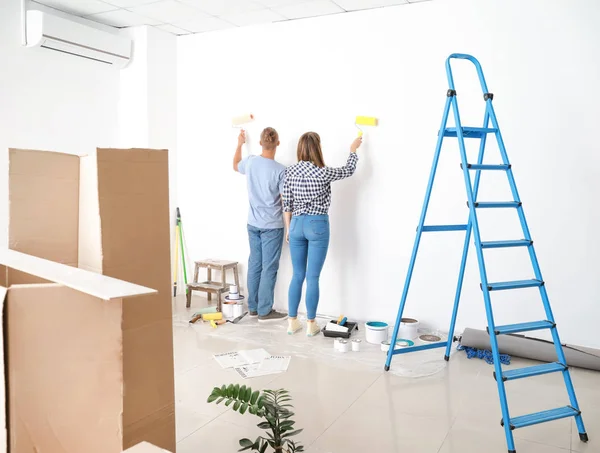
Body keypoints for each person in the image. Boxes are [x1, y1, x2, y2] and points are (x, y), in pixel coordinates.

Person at [282, 132, 362, 336]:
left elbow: (287, 204)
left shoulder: (290, 172)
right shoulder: (323, 172)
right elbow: (348, 170)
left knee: (297, 275)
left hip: (296, 224)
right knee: (313, 277)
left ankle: (292, 322)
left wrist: (289, 229)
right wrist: (353, 150)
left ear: (300, 148)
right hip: (317, 224)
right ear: (317, 148)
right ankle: (310, 324)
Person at [234, 127, 288, 322]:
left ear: (260, 143)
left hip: (253, 223)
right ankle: (265, 311)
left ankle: (254, 308)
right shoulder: (281, 170)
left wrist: (240, 143)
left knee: (255, 264)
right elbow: (284, 200)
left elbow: (235, 165)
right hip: (272, 225)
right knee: (269, 267)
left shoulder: (250, 162)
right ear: (277, 143)